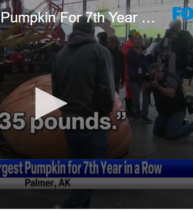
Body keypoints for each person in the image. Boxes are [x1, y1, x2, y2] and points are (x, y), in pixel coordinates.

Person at [52, 16, 115, 208]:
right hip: (91, 118)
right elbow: (107, 88)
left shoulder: (60, 55)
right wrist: (103, 115)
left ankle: (80, 205)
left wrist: (66, 112)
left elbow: (55, 90)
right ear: (92, 32)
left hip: (69, 118)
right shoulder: (99, 51)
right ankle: (70, 204)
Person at [146, 63, 193, 139]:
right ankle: (178, 125)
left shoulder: (169, 77)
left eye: (153, 73)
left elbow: (171, 94)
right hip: (164, 112)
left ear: (159, 71)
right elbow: (145, 94)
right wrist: (144, 82)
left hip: (176, 111)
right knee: (156, 132)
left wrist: (157, 86)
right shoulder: (155, 80)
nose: (152, 76)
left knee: (170, 135)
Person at [126, 33, 151, 122]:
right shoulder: (131, 51)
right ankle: (137, 114)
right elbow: (131, 61)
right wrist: (141, 55)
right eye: (135, 39)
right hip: (134, 77)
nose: (137, 41)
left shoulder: (145, 50)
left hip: (144, 77)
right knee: (136, 97)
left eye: (139, 39)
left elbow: (149, 61)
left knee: (146, 97)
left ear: (141, 41)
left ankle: (144, 114)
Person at [122, 29, 137, 115]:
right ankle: (129, 109)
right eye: (135, 37)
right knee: (129, 91)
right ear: (131, 37)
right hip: (129, 72)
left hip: (134, 72)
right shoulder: (127, 46)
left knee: (135, 92)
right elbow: (129, 57)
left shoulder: (132, 45)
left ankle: (133, 108)